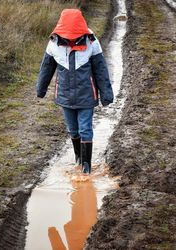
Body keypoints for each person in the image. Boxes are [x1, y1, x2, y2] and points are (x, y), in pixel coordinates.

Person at [36, 9, 114, 174]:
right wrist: (40, 89)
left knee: (85, 128)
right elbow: (46, 68)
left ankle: (86, 166)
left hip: (86, 95)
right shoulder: (53, 43)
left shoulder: (92, 42)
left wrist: (106, 94)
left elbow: (100, 69)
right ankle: (78, 158)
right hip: (65, 95)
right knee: (72, 129)